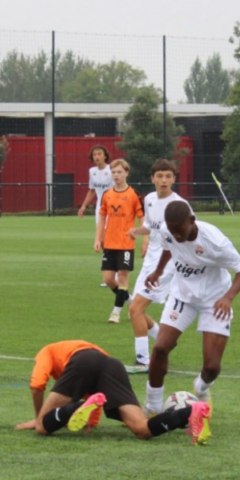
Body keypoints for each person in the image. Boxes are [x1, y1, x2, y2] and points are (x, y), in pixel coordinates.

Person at [143, 200, 240, 415]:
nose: (177, 235)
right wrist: (157, 272)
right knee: (161, 347)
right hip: (182, 296)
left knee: (211, 367)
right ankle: (152, 406)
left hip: (216, 299)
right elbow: (168, 247)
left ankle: (201, 388)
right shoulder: (168, 231)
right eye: (172, 231)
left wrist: (228, 298)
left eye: (180, 230)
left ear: (192, 221)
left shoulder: (214, 241)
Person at [14, 340, 212, 444]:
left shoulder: (46, 351)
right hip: (113, 365)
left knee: (42, 427)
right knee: (141, 429)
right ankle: (191, 411)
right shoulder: (87, 350)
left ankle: (77, 407)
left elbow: (37, 384)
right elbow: (96, 391)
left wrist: (38, 418)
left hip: (82, 361)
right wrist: (91, 420)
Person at [126, 159, 189, 370]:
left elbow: (187, 235)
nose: (164, 180)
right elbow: (150, 227)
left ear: (174, 179)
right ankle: (164, 340)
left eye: (168, 176)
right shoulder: (151, 199)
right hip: (150, 262)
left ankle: (143, 361)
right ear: (152, 178)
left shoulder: (179, 205)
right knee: (135, 311)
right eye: (160, 176)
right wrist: (137, 231)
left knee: (135, 308)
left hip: (166, 265)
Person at [95, 158, 143, 324]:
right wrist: (98, 238)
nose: (116, 175)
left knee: (122, 277)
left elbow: (142, 218)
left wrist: (143, 238)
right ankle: (132, 303)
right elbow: (102, 218)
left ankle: (115, 313)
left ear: (126, 173)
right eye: (113, 172)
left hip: (126, 244)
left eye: (119, 172)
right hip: (109, 243)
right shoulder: (107, 195)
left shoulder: (133, 195)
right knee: (109, 279)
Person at [77, 144, 113, 288]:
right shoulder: (92, 171)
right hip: (100, 209)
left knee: (108, 238)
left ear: (105, 155)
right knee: (103, 241)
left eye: (99, 154)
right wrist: (84, 206)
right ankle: (111, 272)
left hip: (113, 208)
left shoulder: (111, 170)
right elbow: (92, 190)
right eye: (95, 154)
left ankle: (113, 273)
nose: (97, 156)